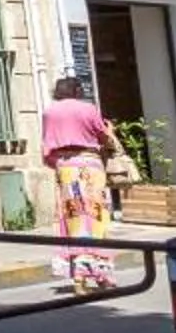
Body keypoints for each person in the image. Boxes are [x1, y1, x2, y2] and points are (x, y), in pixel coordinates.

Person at [42, 74, 122, 293]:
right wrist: (110, 133)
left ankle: (79, 276)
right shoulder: (88, 109)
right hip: (90, 166)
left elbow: (47, 147)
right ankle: (101, 273)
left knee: (73, 217)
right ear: (78, 90)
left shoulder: (50, 112)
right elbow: (104, 137)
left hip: (66, 168)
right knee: (97, 217)